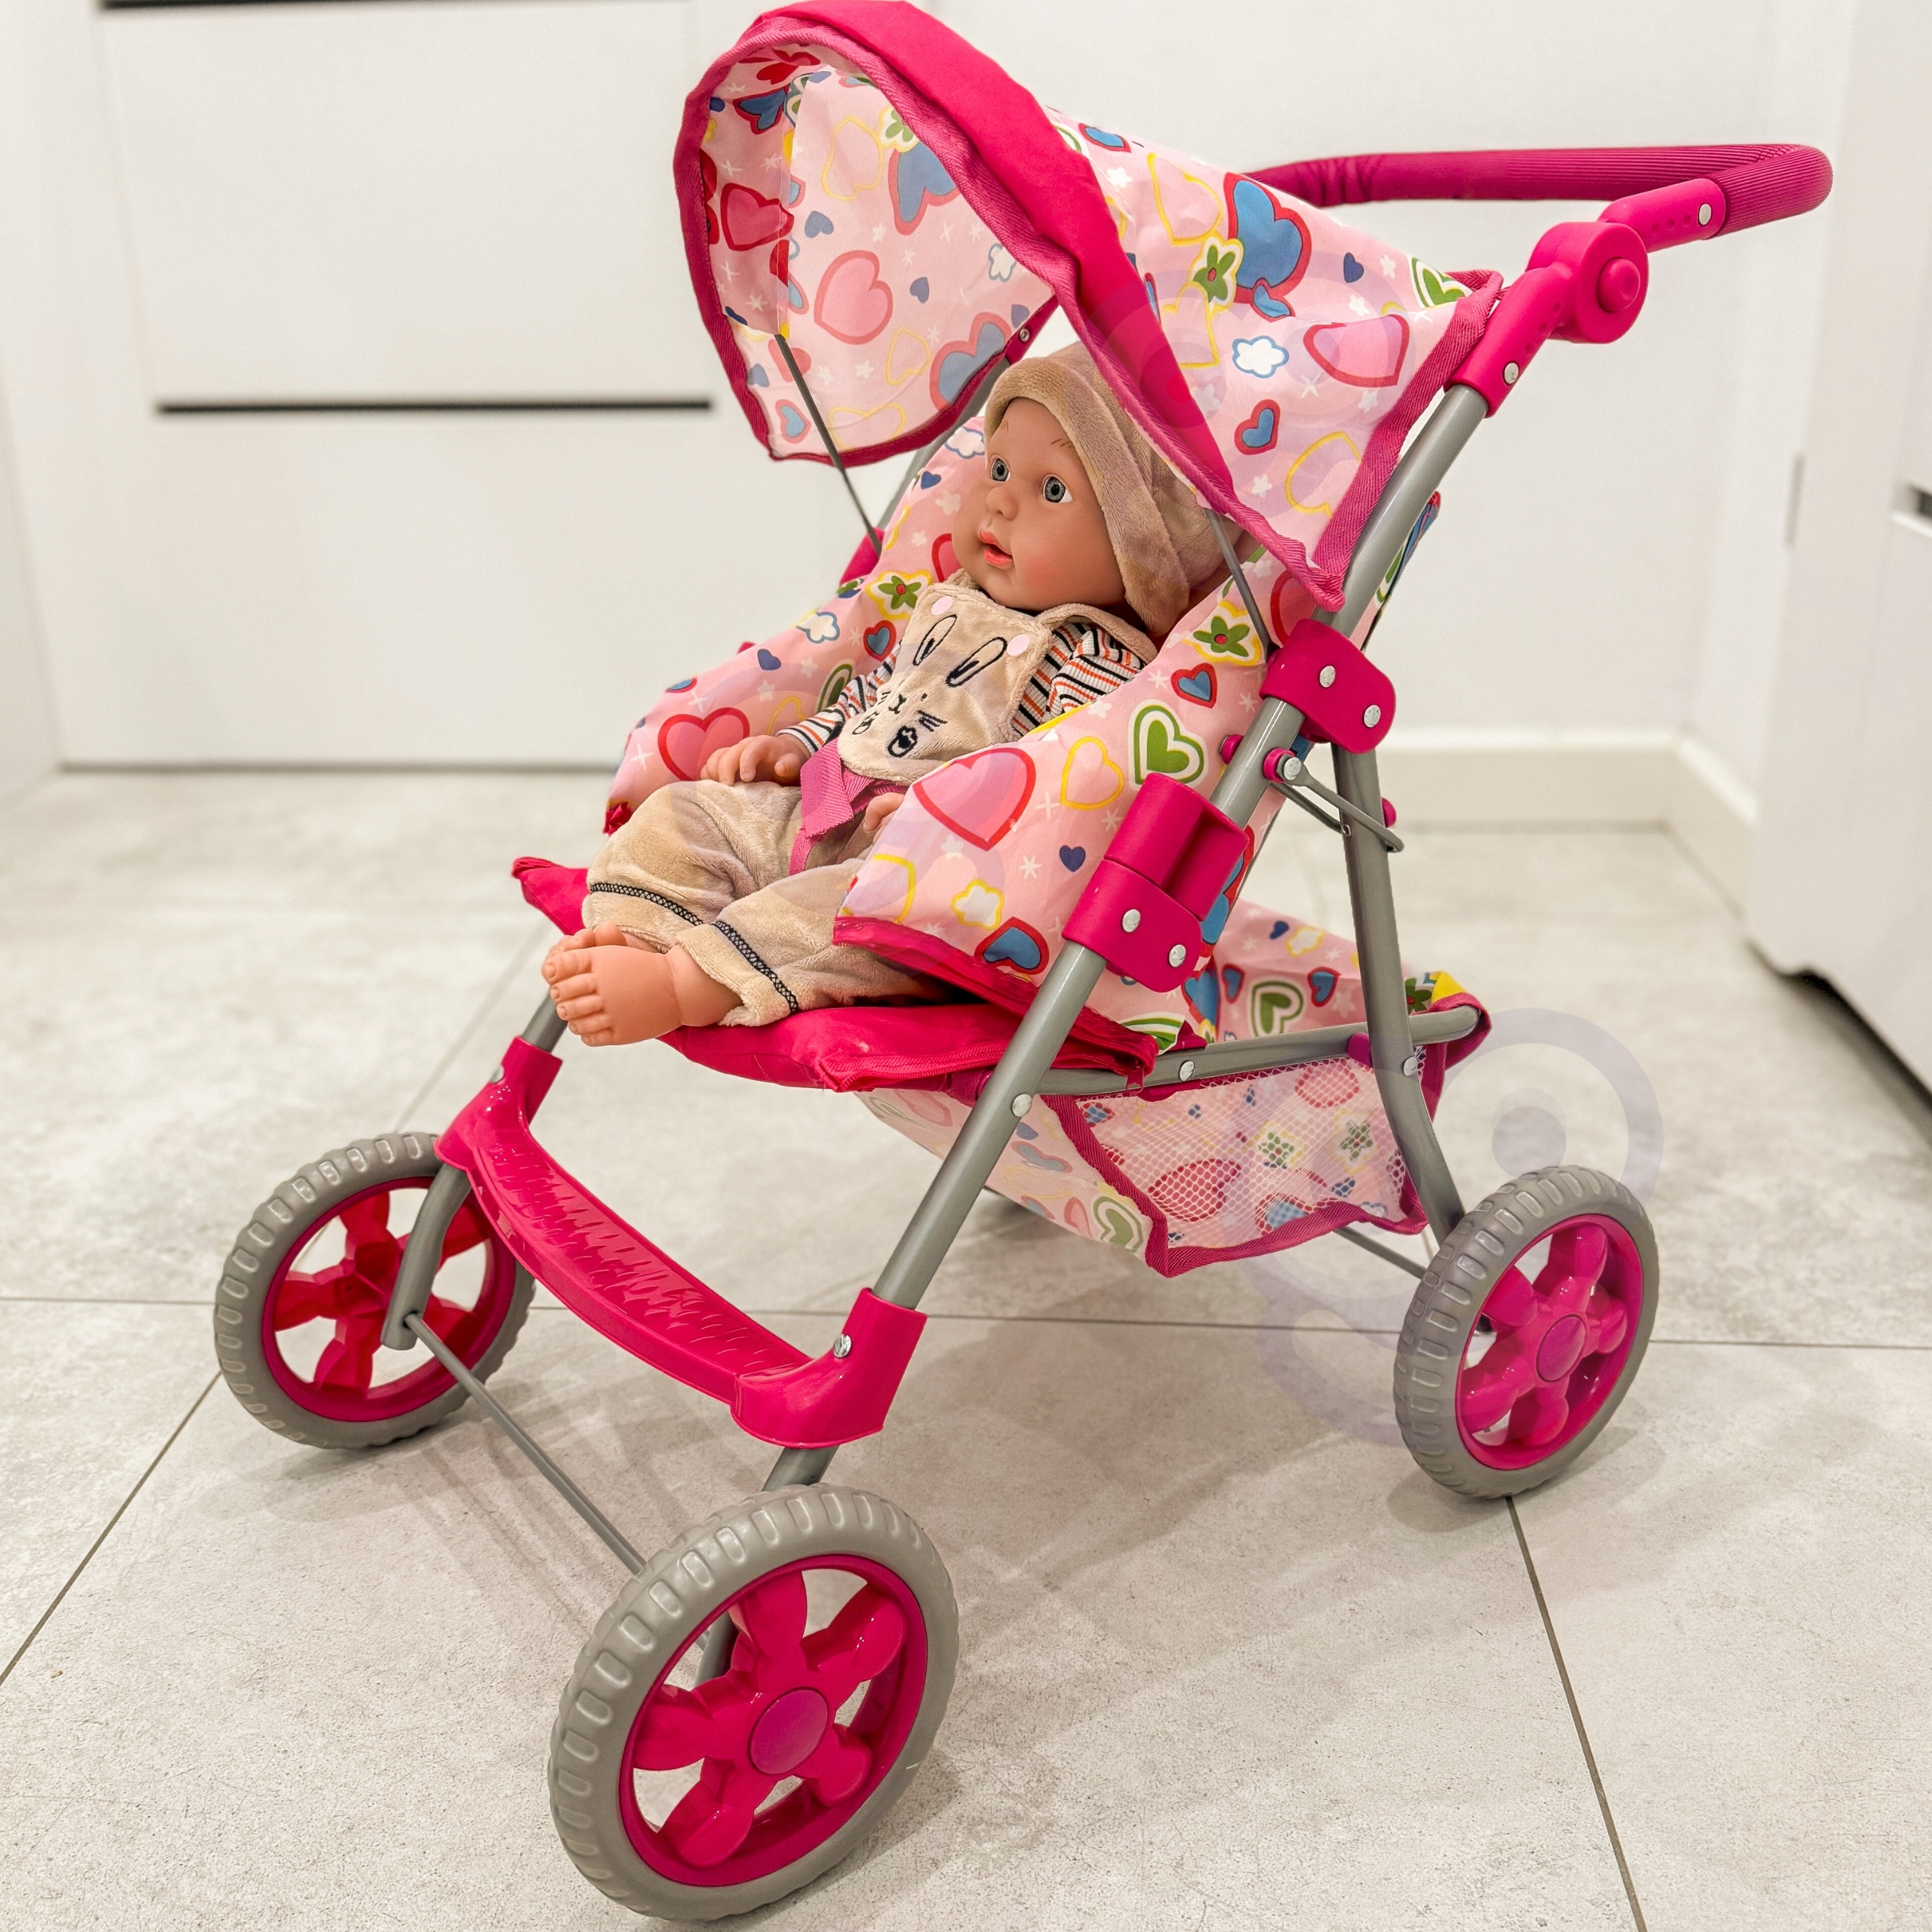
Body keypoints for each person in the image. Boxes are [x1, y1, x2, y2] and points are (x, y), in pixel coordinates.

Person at [542, 343, 1223, 1045]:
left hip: (928, 872)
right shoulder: (953, 600)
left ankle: (681, 985)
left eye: (1052, 491)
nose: (1000, 499)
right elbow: (880, 696)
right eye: (997, 469)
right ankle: (640, 932)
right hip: (826, 803)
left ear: (1136, 551)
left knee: (832, 919)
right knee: (685, 812)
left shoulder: (1096, 657)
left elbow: (1068, 782)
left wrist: (949, 819)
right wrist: (795, 747)